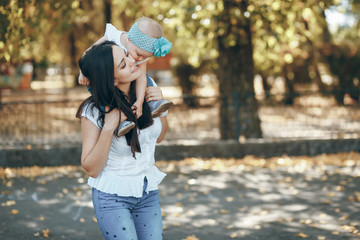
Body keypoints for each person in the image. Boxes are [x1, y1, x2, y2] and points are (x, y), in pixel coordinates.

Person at [76, 41, 168, 240]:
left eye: (126, 55)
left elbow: (159, 137)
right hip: (112, 197)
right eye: (123, 64)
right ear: (113, 80)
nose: (132, 61)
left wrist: (159, 107)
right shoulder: (93, 111)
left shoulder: (144, 93)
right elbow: (91, 168)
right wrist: (109, 127)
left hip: (147, 192)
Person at [78, 17, 173, 136]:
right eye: (138, 54)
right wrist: (82, 72)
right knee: (104, 94)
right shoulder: (114, 36)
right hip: (104, 79)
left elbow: (141, 77)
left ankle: (151, 104)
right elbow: (89, 52)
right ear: (129, 40)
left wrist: (139, 101)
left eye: (145, 57)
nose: (139, 59)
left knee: (147, 81)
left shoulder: (140, 51)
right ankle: (117, 119)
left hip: (130, 78)